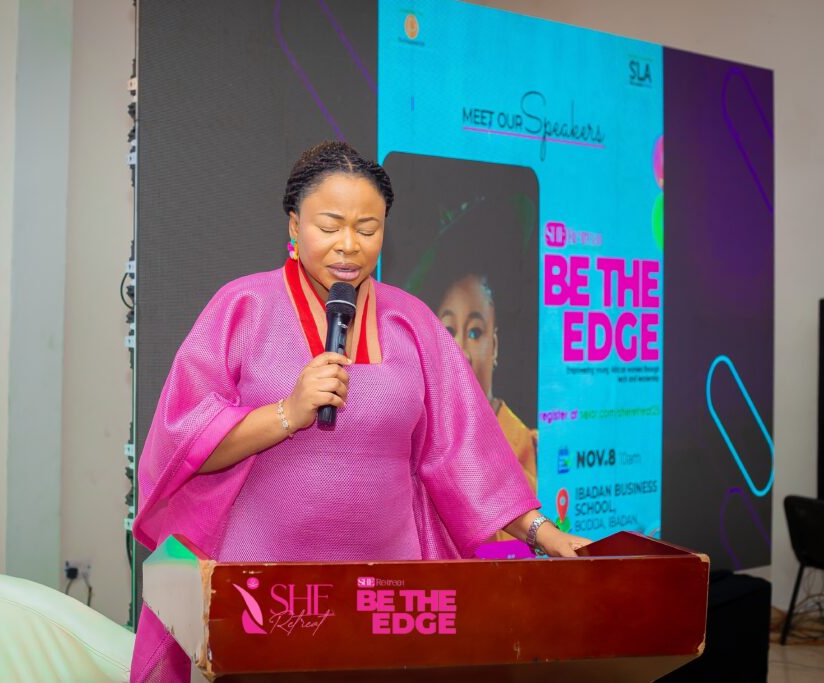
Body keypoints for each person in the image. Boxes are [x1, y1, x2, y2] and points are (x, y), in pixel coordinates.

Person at [130, 141, 588, 682]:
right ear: (294, 225)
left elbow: (468, 456)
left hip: (390, 599)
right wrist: (287, 412)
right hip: (260, 596)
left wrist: (543, 533)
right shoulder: (243, 308)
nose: (349, 245)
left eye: (367, 229)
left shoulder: (413, 322)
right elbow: (185, 446)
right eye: (330, 226)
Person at [435, 273, 539, 543]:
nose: (462, 352)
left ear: (494, 346)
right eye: (448, 332)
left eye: (474, 333)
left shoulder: (528, 445)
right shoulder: (427, 439)